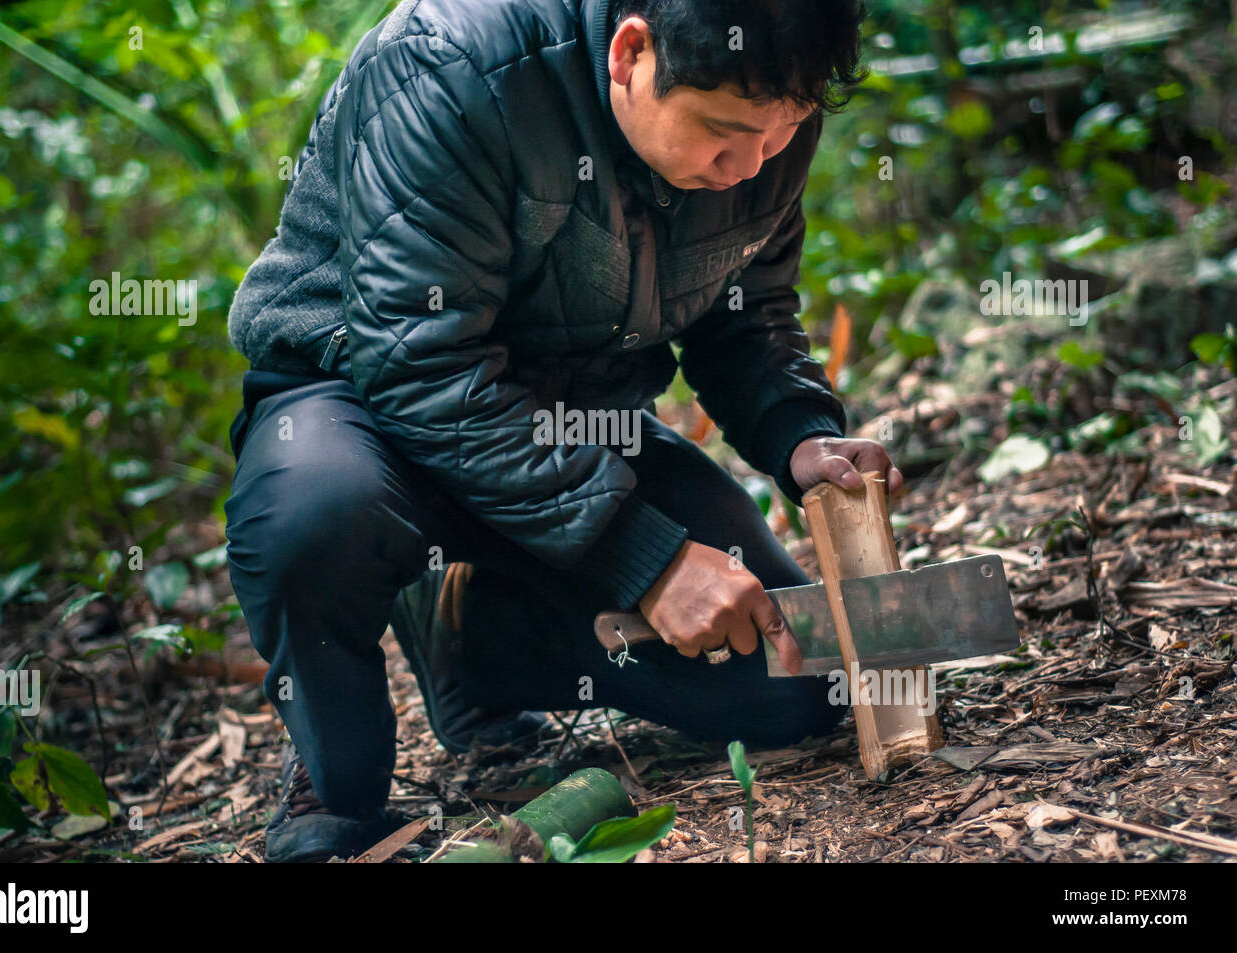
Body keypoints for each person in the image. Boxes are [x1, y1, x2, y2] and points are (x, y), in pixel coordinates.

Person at [224, 0, 901, 863]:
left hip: (579, 426)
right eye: (723, 134)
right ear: (631, 52)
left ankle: (476, 643)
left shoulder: (764, 112)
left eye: (780, 136)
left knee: (789, 688)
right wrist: (645, 557)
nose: (748, 168)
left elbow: (745, 315)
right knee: (314, 517)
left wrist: (800, 435)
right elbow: (419, 364)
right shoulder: (447, 64)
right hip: (362, 408)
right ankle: (336, 774)